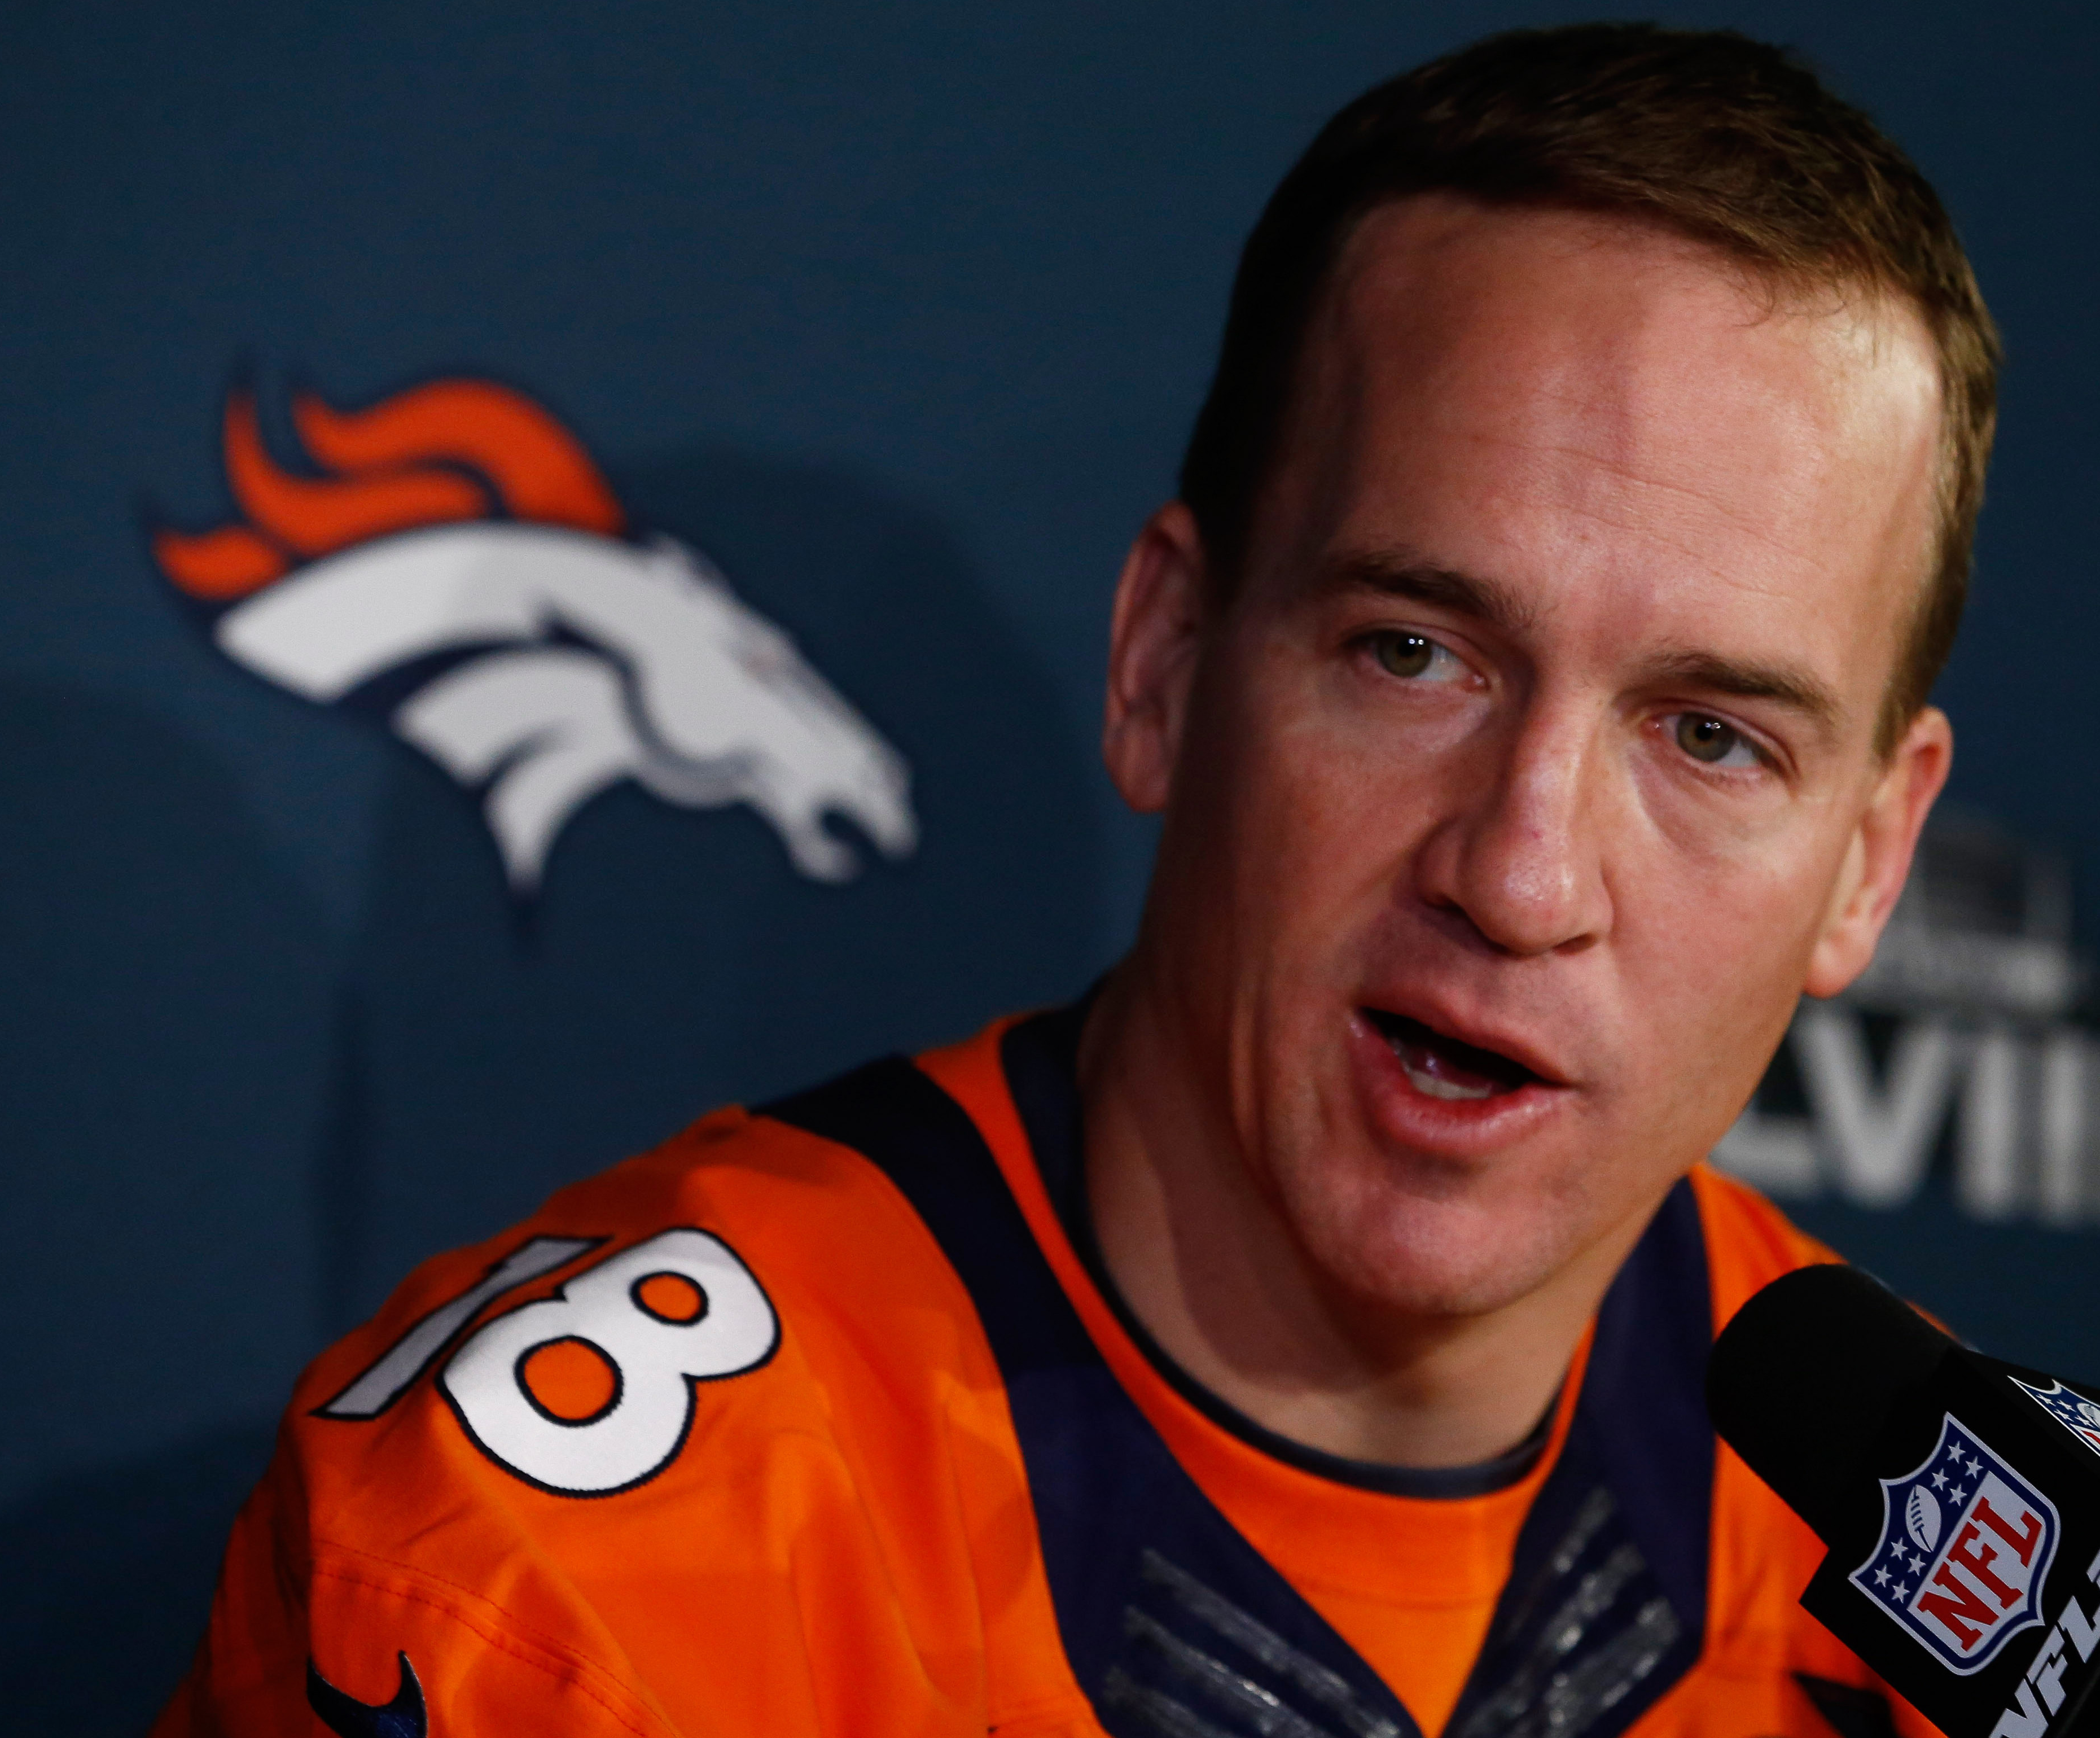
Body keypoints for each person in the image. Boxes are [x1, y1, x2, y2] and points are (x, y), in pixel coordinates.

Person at [158, 23, 1995, 1738]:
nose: (1521, 875)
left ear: (1868, 861)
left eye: (1709, 739)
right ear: (1165, 667)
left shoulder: (1948, 1574)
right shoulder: (540, 1579)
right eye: (1411, 655)